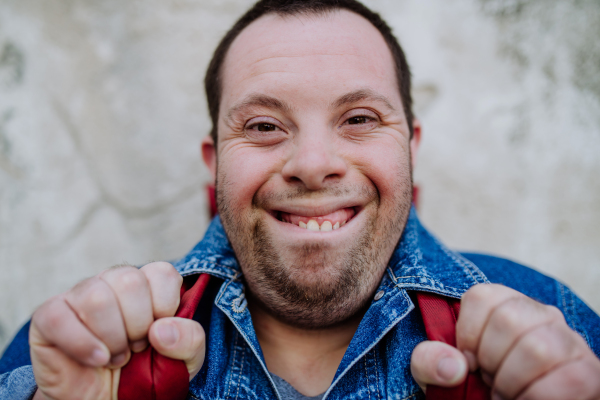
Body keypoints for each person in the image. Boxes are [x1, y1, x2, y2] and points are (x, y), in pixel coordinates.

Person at [1, 0, 600, 399]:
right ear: (214, 164)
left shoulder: (555, 329)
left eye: (359, 118)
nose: (313, 165)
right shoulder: (78, 348)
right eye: (263, 126)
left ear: (410, 149)